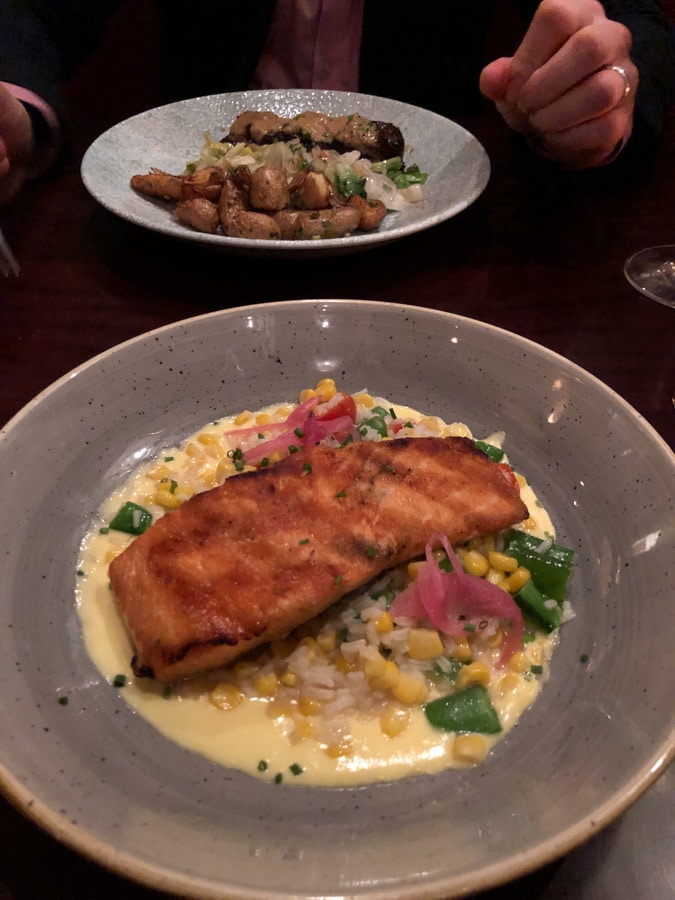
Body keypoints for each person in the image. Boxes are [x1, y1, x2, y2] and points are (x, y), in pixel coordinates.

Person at [0, 0, 674, 205]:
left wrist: (591, 97)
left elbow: (635, 22)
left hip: (445, 237)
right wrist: (16, 116)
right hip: (178, 255)